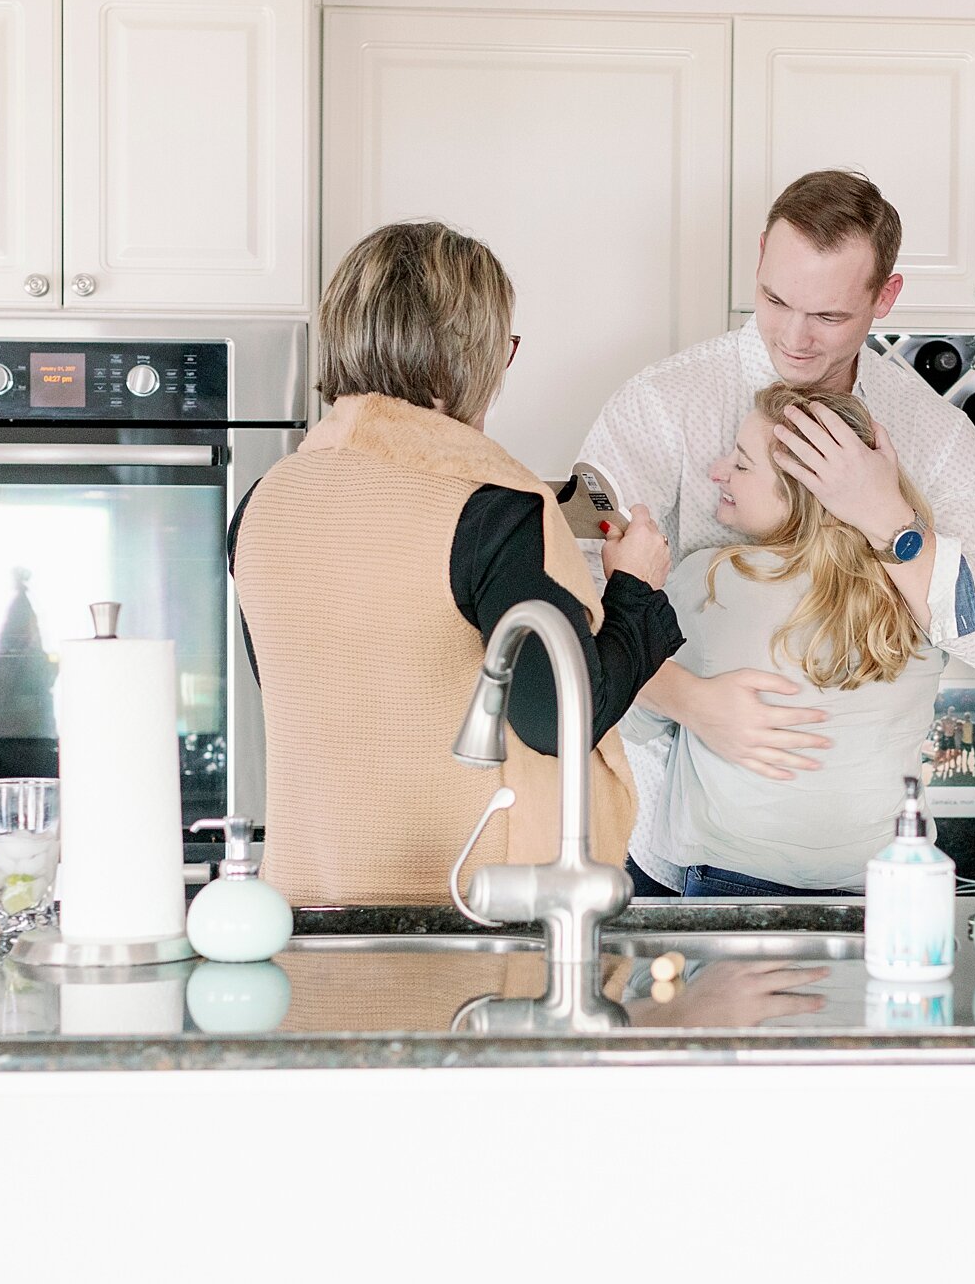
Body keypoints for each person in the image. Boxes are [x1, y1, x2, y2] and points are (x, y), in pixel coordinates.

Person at [577, 170, 975, 895]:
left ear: (885, 298)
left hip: (864, 862)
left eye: (829, 316)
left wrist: (886, 517)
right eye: (775, 299)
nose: (793, 336)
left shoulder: (931, 436)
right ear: (758, 258)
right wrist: (692, 700)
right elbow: (578, 599)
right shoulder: (663, 405)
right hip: (660, 839)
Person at [230, 221, 682, 905]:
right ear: (471, 356)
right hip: (465, 917)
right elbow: (559, 721)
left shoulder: (261, 506)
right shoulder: (492, 511)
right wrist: (635, 592)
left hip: (306, 910)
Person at [626, 384, 945, 895]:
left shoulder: (714, 581)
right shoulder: (922, 593)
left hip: (735, 880)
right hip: (891, 887)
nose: (717, 470)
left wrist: (632, 593)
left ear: (800, 493)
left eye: (743, 463)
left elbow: (632, 718)